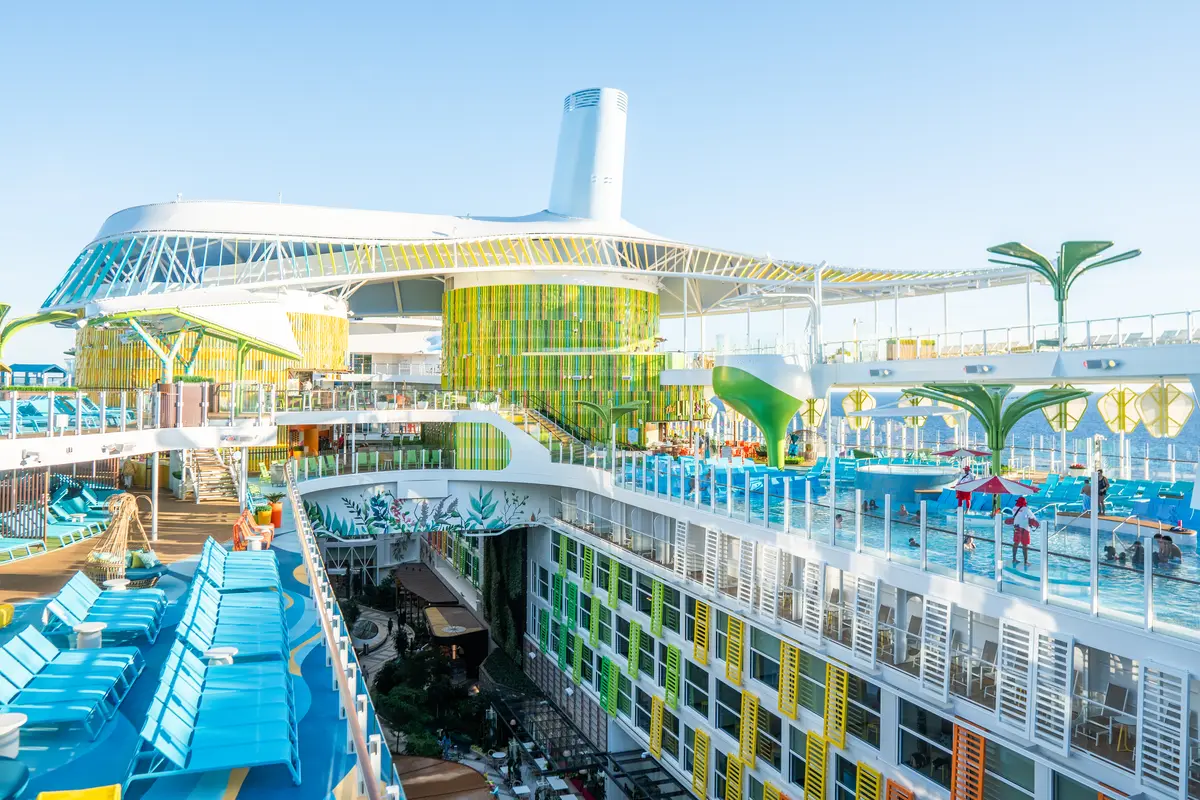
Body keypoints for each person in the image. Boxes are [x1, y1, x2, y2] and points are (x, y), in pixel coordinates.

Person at [1007, 496, 1038, 567]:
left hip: (1016, 527)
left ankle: (1014, 559)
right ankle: (1025, 561)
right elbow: (1033, 517)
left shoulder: (1014, 508)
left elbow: (1016, 516)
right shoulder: (1026, 509)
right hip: (1024, 528)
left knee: (1016, 543)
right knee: (1025, 545)